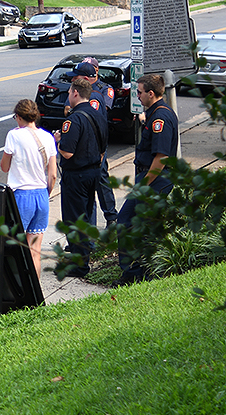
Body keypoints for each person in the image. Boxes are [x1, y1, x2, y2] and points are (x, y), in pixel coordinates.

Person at [116, 73, 179, 286]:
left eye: (140, 92)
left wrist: (143, 185)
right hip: (152, 179)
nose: (138, 96)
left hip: (154, 180)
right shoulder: (155, 114)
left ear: (151, 94)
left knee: (126, 223)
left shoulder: (160, 118)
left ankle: (134, 274)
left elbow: (161, 157)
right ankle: (142, 272)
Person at [53, 77, 106, 277]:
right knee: (84, 216)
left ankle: (79, 265)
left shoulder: (74, 119)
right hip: (93, 171)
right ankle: (82, 259)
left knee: (74, 220)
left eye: (68, 93)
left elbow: (67, 152)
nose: (68, 97)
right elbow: (103, 148)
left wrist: (57, 140)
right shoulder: (97, 114)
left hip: (76, 175)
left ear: (75, 93)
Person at [0, 99, 58, 278]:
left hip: (21, 195)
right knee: (35, 250)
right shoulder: (48, 137)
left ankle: (16, 292)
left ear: (18, 116)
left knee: (13, 248)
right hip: (41, 195)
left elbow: (4, 166)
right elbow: (53, 174)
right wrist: (46, 193)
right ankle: (35, 294)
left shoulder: (14, 136)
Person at [71, 58, 118, 225]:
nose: (73, 80)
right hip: (81, 142)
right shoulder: (76, 90)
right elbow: (67, 109)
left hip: (96, 142)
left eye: (76, 76)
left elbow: (97, 112)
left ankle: (111, 217)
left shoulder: (103, 90)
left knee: (101, 179)